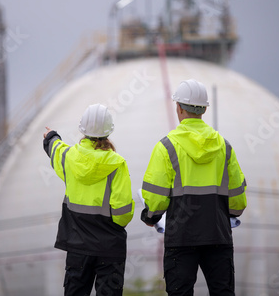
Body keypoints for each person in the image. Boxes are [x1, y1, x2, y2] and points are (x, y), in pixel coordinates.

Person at [140, 79, 247, 296]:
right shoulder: (224, 147)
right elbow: (237, 198)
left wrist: (150, 217)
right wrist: (232, 214)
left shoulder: (166, 147)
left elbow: (156, 197)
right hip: (218, 235)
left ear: (178, 108)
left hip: (181, 238)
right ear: (205, 109)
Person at [43, 103, 135, 296]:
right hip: (109, 247)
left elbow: (56, 149)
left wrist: (51, 137)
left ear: (82, 130)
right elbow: (123, 212)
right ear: (108, 132)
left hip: (78, 246)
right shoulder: (117, 164)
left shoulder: (69, 157)